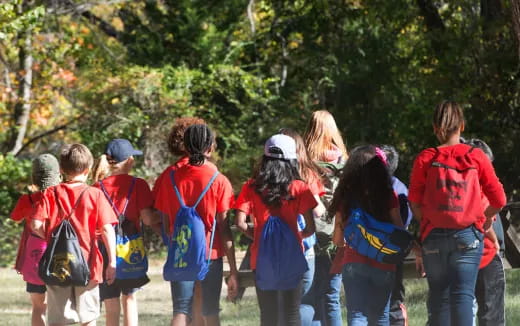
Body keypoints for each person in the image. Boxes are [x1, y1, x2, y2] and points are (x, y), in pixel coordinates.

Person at [408, 101, 506, 326]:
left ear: (435, 128)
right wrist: (486, 218)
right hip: (467, 236)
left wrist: (429, 221)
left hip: (433, 237)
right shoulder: (476, 156)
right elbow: (499, 199)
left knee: (439, 297)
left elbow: (414, 203)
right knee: (463, 296)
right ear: (461, 126)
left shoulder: (425, 158)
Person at [154, 124, 238, 326]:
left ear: (186, 146)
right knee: (210, 311)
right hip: (211, 254)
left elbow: (167, 225)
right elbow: (224, 228)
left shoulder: (171, 178)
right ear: (210, 148)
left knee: (181, 311)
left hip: (181, 252)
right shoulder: (219, 181)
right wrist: (233, 270)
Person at [31, 144, 118, 326]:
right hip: (89, 264)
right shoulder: (95, 194)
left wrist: (49, 236)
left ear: (61, 170)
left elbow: (36, 224)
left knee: (58, 320)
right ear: (87, 170)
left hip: (58, 264)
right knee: (88, 318)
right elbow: (107, 229)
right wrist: (112, 262)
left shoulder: (49, 194)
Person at [234, 134, 317, 326]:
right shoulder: (299, 188)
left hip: (261, 258)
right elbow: (311, 228)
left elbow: (239, 222)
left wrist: (256, 235)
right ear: (291, 161)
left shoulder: (251, 187)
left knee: (268, 314)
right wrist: (298, 236)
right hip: (292, 256)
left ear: (265, 159)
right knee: (291, 314)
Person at [331, 145, 404, 325]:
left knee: (357, 315)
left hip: (354, 262)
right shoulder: (388, 194)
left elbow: (338, 240)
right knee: (380, 315)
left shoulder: (345, 196)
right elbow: (400, 230)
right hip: (384, 262)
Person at [92, 139, 156, 326]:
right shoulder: (139, 185)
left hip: (104, 250)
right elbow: (147, 219)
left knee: (111, 305)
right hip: (130, 250)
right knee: (129, 299)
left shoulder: (97, 187)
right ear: (129, 161)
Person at [152, 117, 207, 326]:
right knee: (201, 305)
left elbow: (152, 213)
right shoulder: (209, 172)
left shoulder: (169, 174)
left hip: (180, 247)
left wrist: (167, 236)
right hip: (206, 247)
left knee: (181, 308)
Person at [304, 110, 348, 326]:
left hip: (314, 231)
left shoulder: (304, 162)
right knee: (332, 294)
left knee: (313, 292)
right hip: (339, 231)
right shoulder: (343, 159)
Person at [280, 128, 327, 326]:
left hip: (276, 247)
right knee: (305, 301)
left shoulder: (268, 175)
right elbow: (319, 211)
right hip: (304, 246)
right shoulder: (306, 174)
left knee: (282, 303)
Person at [11, 154, 61, 326]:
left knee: (38, 307)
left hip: (33, 257)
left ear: (34, 177)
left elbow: (16, 217)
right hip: (58, 255)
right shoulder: (60, 197)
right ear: (58, 175)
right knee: (58, 306)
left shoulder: (28, 199)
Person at [464, 138, 505, 326]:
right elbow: (483, 220)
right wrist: (495, 242)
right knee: (491, 315)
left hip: (456, 255)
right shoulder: (480, 188)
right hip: (484, 254)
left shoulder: (452, 183)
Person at [380, 145, 412, 326]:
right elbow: (405, 222)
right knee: (394, 299)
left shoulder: (367, 189)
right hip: (394, 249)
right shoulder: (401, 188)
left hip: (374, 250)